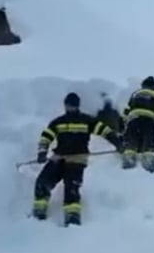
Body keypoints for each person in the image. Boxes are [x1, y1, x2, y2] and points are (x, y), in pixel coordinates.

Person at [32, 92, 123, 226]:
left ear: (77, 106)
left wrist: (118, 143)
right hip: (58, 157)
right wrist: (42, 152)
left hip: (77, 159)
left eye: (73, 106)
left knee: (71, 187)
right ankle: (39, 213)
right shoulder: (58, 122)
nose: (70, 108)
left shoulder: (87, 120)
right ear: (65, 105)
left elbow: (105, 131)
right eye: (69, 105)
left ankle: (72, 218)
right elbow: (46, 137)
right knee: (42, 182)